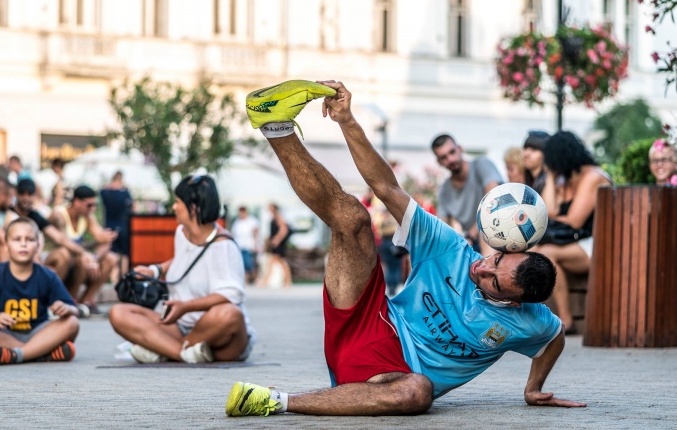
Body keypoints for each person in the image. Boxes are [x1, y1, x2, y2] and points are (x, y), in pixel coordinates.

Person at [225, 79, 584, 417]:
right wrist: (347, 121)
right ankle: (274, 124)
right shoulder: (452, 250)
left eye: (494, 281)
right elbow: (386, 186)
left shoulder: (530, 321)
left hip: (385, 381)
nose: (483, 267)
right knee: (353, 220)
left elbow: (554, 337)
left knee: (418, 392)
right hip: (371, 319)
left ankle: (273, 401)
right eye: (496, 258)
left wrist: (533, 388)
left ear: (516, 302)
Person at [108, 175, 255, 364]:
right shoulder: (182, 233)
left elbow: (232, 293)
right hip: (179, 326)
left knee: (229, 314)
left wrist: (186, 307)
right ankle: (183, 353)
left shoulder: (223, 246)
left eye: (178, 202)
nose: (174, 207)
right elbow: (184, 261)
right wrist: (155, 270)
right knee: (118, 313)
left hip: (219, 335)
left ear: (194, 208)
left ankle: (163, 348)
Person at [0, 217, 79, 365]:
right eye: (17, 239)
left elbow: (74, 310)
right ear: (6, 245)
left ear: (38, 245)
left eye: (29, 239)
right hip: (5, 334)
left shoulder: (47, 275)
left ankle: (17, 355)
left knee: (72, 322)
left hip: (39, 333)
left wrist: (66, 308)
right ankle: (41, 353)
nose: (23, 244)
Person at [533, 131, 612, 335]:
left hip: (597, 245)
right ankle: (542, 318)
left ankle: (566, 320)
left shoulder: (593, 177)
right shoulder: (565, 180)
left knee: (546, 254)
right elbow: (546, 211)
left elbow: (575, 221)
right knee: (537, 252)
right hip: (574, 244)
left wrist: (555, 217)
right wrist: (550, 177)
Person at [47, 185, 119, 315]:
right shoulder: (59, 216)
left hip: (74, 262)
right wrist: (86, 254)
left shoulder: (87, 216)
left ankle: (85, 301)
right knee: (73, 256)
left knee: (110, 258)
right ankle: (64, 300)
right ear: (76, 202)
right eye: (89, 205)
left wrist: (95, 258)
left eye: (94, 205)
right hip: (54, 262)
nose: (92, 209)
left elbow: (102, 239)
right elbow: (64, 242)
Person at [12, 178, 100, 277]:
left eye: (30, 194)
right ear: (16, 194)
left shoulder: (36, 216)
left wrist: (85, 253)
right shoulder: (9, 214)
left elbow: (59, 238)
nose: (26, 198)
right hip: (15, 256)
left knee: (74, 258)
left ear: (34, 196)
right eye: (22, 193)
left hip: (35, 257)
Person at [432, 134, 503, 254]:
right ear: (438, 162)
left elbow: (494, 201)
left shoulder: (482, 165)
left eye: (452, 152)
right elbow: (442, 229)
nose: (450, 159)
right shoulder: (444, 190)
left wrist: (470, 236)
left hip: (502, 229)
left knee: (486, 236)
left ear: (460, 148)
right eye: (444, 157)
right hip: (473, 242)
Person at [100, 171, 133, 275]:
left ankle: (113, 278)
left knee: (112, 254)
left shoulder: (105, 192)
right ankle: (124, 276)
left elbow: (101, 191)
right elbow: (132, 206)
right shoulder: (125, 193)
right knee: (125, 255)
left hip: (109, 226)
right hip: (123, 226)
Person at [258, 203, 292, 288]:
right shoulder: (274, 217)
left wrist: (277, 239)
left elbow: (284, 229)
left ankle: (265, 281)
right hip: (276, 244)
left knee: (273, 262)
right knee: (282, 263)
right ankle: (287, 281)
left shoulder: (278, 217)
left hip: (278, 244)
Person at [231, 206, 260, 284]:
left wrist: (256, 244)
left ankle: (256, 278)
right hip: (239, 245)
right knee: (242, 264)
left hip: (248, 245)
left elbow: (256, 233)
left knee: (249, 264)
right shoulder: (237, 222)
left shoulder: (252, 221)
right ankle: (245, 280)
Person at [523, 130, 550, 194]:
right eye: (525, 148)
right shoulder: (531, 181)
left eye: (534, 150)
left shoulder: (550, 182)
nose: (526, 154)